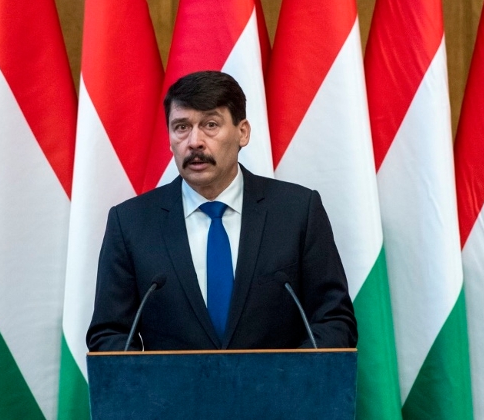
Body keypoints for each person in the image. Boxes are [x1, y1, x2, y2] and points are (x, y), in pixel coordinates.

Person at [86, 71, 357, 351]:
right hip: (171, 382)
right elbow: (110, 334)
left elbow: (333, 321)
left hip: (280, 381)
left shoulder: (297, 211)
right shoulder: (130, 222)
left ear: (243, 132)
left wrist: (288, 375)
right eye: (181, 127)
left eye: (210, 125)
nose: (194, 141)